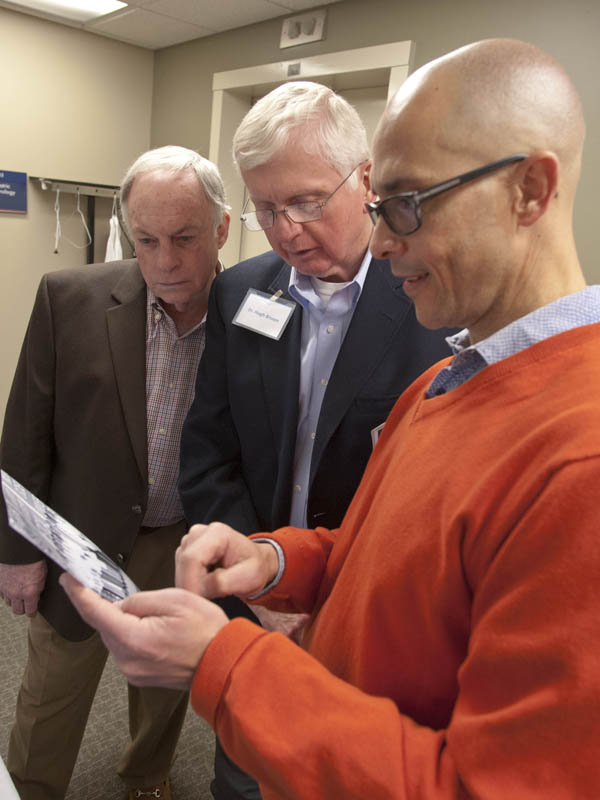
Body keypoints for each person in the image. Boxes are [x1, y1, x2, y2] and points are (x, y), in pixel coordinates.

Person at [62, 37, 600, 799]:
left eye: (404, 205)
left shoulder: (581, 459)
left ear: (530, 191)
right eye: (382, 211)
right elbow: (387, 551)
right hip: (305, 718)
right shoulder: (451, 379)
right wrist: (277, 564)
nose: (381, 241)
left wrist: (224, 664)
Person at [177, 80, 454, 800]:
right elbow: (209, 453)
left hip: (371, 622)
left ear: (363, 179)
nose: (287, 230)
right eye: (266, 209)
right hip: (255, 601)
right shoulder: (242, 292)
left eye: (306, 201)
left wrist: (324, 599)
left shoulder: (438, 306)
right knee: (242, 777)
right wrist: (256, 585)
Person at [0, 145, 230, 800]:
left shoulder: (252, 311)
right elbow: (24, 434)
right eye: (146, 239)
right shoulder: (68, 298)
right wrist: (16, 552)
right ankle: (31, 788)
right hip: (79, 537)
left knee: (163, 688)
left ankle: (146, 778)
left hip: (183, 541)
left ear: (220, 228)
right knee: (51, 691)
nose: (165, 261)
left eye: (185, 238)